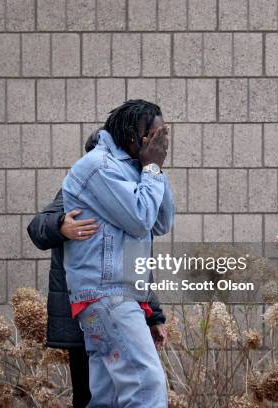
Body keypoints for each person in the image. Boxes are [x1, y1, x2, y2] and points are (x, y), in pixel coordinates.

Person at [27, 130, 167, 408]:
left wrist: (155, 316)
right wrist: (61, 226)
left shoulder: (123, 195)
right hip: (86, 313)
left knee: (115, 393)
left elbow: (131, 263)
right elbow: (37, 226)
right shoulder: (80, 191)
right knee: (92, 394)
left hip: (117, 308)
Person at [62, 99, 174, 407]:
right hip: (106, 295)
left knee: (109, 395)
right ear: (132, 133)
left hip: (113, 298)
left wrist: (153, 169)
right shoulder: (99, 166)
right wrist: (151, 168)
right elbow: (139, 220)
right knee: (146, 383)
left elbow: (161, 222)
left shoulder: (132, 168)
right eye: (153, 135)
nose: (159, 143)